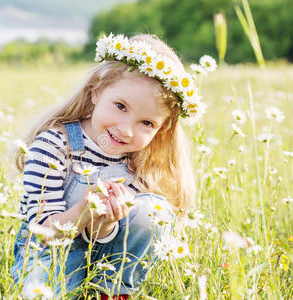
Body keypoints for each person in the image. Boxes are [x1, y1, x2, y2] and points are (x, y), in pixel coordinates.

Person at [11, 33, 203, 299]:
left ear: (161, 129)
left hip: (104, 261)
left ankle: (111, 293)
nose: (125, 131)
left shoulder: (138, 162)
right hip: (50, 252)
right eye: (121, 106)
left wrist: (104, 225)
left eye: (146, 123)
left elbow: (111, 240)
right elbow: (42, 234)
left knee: (153, 211)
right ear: (96, 91)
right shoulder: (54, 145)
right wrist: (84, 211)